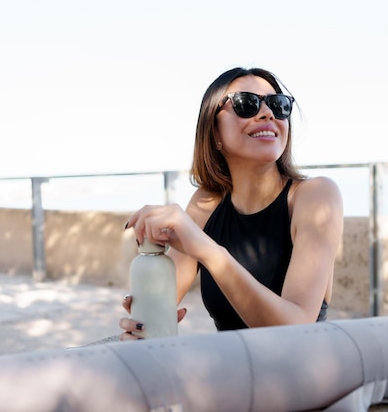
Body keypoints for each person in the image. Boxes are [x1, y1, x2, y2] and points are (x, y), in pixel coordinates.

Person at [120, 67, 343, 339]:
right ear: (213, 132)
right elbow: (162, 300)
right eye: (246, 104)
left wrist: (208, 250)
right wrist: (146, 316)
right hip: (233, 374)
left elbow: (295, 331)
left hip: (302, 378)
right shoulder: (207, 202)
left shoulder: (316, 195)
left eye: (278, 105)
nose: (267, 114)